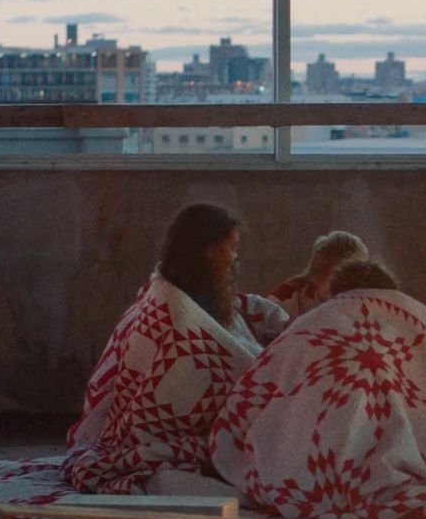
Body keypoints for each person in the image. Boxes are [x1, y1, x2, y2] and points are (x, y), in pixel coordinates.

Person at [211, 259, 426, 519]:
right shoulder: (410, 319)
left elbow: (254, 389)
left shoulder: (309, 324)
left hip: (299, 464)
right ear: (391, 290)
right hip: (389, 459)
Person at [64, 203, 271, 495]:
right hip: (152, 430)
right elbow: (212, 366)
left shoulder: (177, 293)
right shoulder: (173, 308)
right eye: (232, 247)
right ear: (211, 250)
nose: (235, 257)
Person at [268, 230, 370, 320]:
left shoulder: (360, 303)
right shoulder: (290, 292)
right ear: (320, 262)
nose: (347, 281)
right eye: (341, 271)